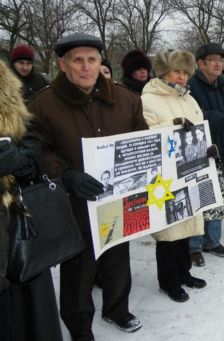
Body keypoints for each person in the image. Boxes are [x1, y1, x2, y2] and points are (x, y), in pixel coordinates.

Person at [29, 33, 148, 340]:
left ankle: (117, 309)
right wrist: (66, 175)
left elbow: (143, 141)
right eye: (77, 60)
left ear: (100, 62)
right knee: (79, 268)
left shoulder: (126, 99)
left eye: (92, 59)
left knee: (118, 257)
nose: (86, 67)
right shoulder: (43, 104)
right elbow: (36, 150)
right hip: (74, 203)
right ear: (62, 64)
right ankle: (79, 323)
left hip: (119, 199)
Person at [0, 60, 62, 341]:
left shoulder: (15, 112)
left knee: (25, 312)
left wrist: (19, 161)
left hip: (15, 229)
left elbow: (35, 154)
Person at [141, 49, 209, 303]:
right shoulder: (149, 98)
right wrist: (173, 126)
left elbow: (199, 128)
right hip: (164, 177)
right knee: (169, 233)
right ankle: (168, 281)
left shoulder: (188, 98)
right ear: (164, 71)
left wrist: (206, 149)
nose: (182, 77)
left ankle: (184, 273)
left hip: (189, 171)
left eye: (185, 72)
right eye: (177, 71)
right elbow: (144, 137)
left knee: (187, 226)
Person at [188, 42, 224, 266]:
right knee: (200, 200)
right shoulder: (190, 88)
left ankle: (212, 241)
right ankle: (194, 246)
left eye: (221, 59)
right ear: (200, 63)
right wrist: (223, 115)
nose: (218, 63)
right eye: (212, 59)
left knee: (220, 199)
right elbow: (193, 120)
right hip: (201, 155)